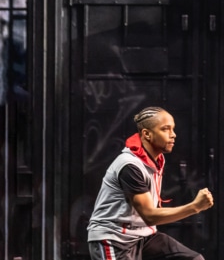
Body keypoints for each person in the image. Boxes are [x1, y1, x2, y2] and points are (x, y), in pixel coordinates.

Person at [87, 107, 214, 260]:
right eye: (165, 129)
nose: (173, 135)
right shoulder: (130, 166)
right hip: (115, 238)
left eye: (173, 129)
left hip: (143, 236)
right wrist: (195, 207)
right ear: (147, 134)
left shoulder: (155, 160)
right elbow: (149, 215)